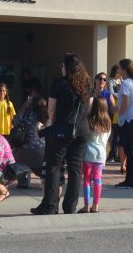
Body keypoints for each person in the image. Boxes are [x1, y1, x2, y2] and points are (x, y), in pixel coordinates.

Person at [31, 53, 93, 214]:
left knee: (53, 167)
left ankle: (50, 206)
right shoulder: (87, 84)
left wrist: (49, 124)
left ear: (66, 67)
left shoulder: (59, 83)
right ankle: (70, 206)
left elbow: (51, 109)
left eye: (62, 65)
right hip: (82, 131)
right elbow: (89, 108)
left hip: (62, 130)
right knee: (75, 168)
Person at [79, 97, 111, 213]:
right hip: (101, 154)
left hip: (88, 152)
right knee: (98, 180)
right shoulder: (107, 122)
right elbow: (106, 139)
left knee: (87, 180)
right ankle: (95, 205)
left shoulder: (89, 120)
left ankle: (86, 205)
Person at [114, 58, 133, 189]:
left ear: (124, 69)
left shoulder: (125, 84)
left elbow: (125, 103)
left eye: (119, 67)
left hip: (128, 120)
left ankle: (130, 179)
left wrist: (118, 113)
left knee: (129, 150)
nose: (118, 70)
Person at [13, 95, 48, 176]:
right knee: (40, 167)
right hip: (43, 153)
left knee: (14, 152)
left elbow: (14, 122)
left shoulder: (27, 113)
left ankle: (23, 180)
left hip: (25, 152)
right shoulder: (48, 115)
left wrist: (24, 106)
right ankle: (42, 176)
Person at [106, 64, 123, 165]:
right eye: (118, 72)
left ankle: (115, 154)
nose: (120, 74)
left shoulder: (122, 81)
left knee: (118, 133)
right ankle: (112, 154)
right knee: (113, 133)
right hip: (112, 109)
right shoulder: (111, 82)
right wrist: (121, 96)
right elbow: (110, 93)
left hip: (120, 110)